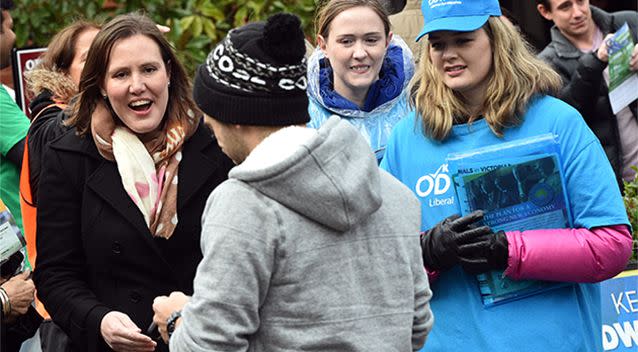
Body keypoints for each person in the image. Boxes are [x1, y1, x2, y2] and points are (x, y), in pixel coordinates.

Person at [151, 13, 432, 352]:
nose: (208, 124)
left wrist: (178, 321)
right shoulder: (395, 195)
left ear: (238, 116)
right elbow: (416, 326)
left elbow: (210, 346)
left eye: (211, 112)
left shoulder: (242, 204)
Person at [380, 0, 633, 350]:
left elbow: (611, 244)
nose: (449, 54)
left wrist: (509, 251)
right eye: (438, 43)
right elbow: (376, 263)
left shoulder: (557, 122)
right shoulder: (406, 139)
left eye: (463, 39)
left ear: (497, 38)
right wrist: (427, 253)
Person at [32, 12, 234, 352]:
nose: (136, 85)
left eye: (149, 69)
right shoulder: (69, 156)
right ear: (101, 84)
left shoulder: (215, 145)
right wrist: (100, 320)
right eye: (121, 74)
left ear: (169, 72)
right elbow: (55, 273)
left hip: (200, 339)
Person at [536, 0, 638, 186]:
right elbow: (567, 118)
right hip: (614, 181)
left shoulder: (629, 22)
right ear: (545, 12)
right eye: (565, 6)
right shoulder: (545, 65)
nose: (577, 13)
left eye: (580, 2)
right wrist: (595, 61)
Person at [308, 0, 414, 162]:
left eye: (371, 40)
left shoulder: (417, 106)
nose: (359, 53)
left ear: (387, 42)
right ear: (323, 46)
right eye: (346, 41)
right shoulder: (304, 121)